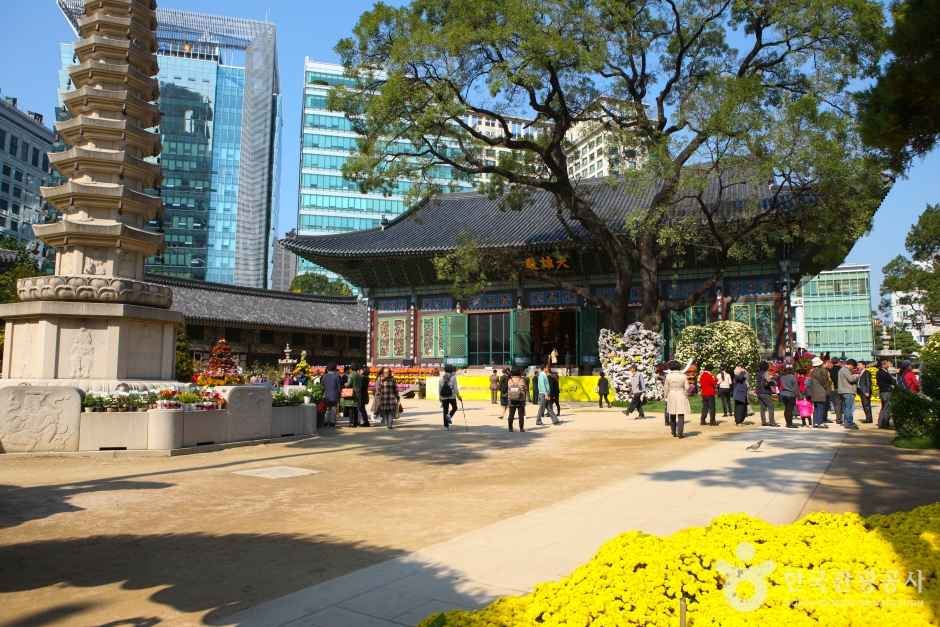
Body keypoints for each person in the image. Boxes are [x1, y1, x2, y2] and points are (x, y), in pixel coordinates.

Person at [664, 360, 691, 438]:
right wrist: (686, 393)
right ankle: (680, 432)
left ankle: (673, 431)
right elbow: (687, 387)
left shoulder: (668, 376)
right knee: (681, 413)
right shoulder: (683, 376)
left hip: (671, 394)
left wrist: (665, 396)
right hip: (681, 394)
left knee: (672, 413)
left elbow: (666, 387)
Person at [809, 356, 832, 429]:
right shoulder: (822, 370)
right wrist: (827, 387)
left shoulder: (812, 371)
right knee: (821, 407)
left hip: (814, 392)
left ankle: (815, 422)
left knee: (815, 408)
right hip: (821, 391)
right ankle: (820, 422)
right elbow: (824, 381)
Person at [837, 358, 861, 429]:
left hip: (843, 391)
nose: (853, 368)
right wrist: (857, 375)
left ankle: (846, 422)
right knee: (849, 408)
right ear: (850, 365)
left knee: (846, 408)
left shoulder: (842, 370)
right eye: (853, 367)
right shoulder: (845, 370)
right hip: (848, 391)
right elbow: (851, 379)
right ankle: (849, 423)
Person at [756, 361, 779, 427]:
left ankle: (763, 422)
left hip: (759, 392)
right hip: (765, 392)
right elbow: (768, 380)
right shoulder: (766, 373)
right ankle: (772, 422)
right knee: (771, 406)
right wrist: (774, 377)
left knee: (762, 408)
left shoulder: (758, 373)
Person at [439, 364, 462, 430]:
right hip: (452, 396)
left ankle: (446, 426)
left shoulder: (441, 377)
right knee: (455, 408)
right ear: (451, 370)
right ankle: (449, 416)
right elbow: (455, 388)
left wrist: (440, 397)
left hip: (444, 397)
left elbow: (439, 388)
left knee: (445, 411)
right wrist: (458, 396)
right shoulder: (453, 377)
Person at [506, 367, 529, 432]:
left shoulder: (510, 380)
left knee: (511, 415)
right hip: (521, 400)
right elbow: (525, 389)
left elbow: (508, 389)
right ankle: (521, 428)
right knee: (521, 415)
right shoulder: (522, 380)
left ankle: (510, 428)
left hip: (511, 399)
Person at [321, 363, 342, 427]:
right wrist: (339, 395)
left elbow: (322, 386)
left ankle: (326, 421)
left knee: (327, 409)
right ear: (335, 369)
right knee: (333, 408)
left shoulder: (324, 376)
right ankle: (332, 422)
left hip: (326, 395)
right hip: (334, 395)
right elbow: (339, 387)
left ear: (327, 369)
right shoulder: (337, 376)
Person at [876, 360, 896, 429]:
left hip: (883, 392)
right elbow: (885, 382)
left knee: (884, 407)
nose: (889, 365)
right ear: (883, 365)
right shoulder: (882, 372)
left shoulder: (881, 372)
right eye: (887, 364)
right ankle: (883, 423)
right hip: (886, 391)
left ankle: (881, 422)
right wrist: (890, 386)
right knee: (886, 408)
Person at [829, 356, 843, 423]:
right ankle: (842, 418)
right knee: (843, 404)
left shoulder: (830, 370)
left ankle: (838, 418)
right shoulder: (841, 369)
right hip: (842, 388)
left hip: (833, 388)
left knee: (836, 404)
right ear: (838, 361)